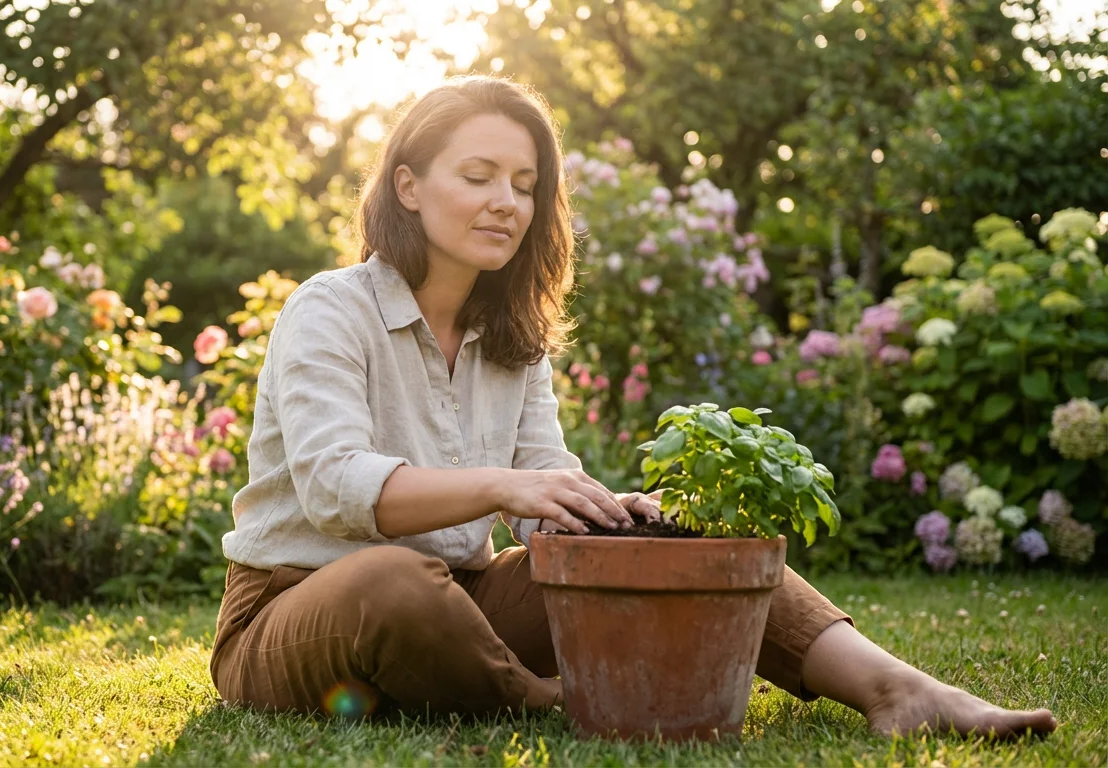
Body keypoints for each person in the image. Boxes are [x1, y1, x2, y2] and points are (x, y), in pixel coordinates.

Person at [209, 75, 1056, 738]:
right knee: (395, 580)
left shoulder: (514, 334)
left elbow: (542, 481)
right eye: (478, 176)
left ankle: (897, 688)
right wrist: (502, 491)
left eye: (524, 183)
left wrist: (606, 517)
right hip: (296, 609)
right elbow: (333, 484)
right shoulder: (331, 308)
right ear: (408, 187)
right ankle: (553, 704)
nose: (507, 200)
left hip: (462, 599)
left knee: (663, 546)